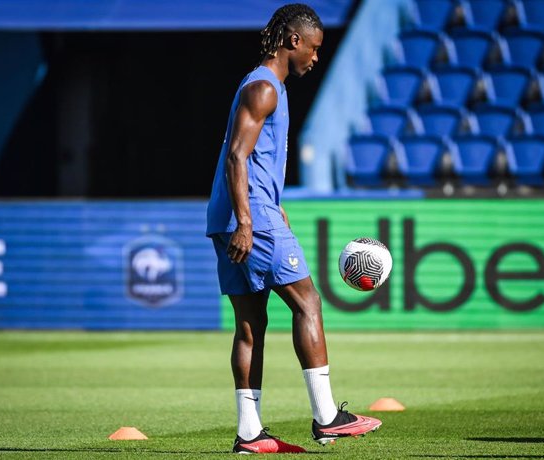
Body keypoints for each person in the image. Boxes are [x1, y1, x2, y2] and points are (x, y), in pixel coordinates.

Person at [206, 4, 382, 454]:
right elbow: (236, 157)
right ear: (294, 41)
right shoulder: (265, 88)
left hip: (233, 217)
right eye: (315, 49)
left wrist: (268, 207)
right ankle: (327, 418)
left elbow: (251, 158)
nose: (316, 58)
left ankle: (250, 434)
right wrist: (250, 220)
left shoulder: (263, 85)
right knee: (308, 302)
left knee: (250, 326)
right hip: (250, 217)